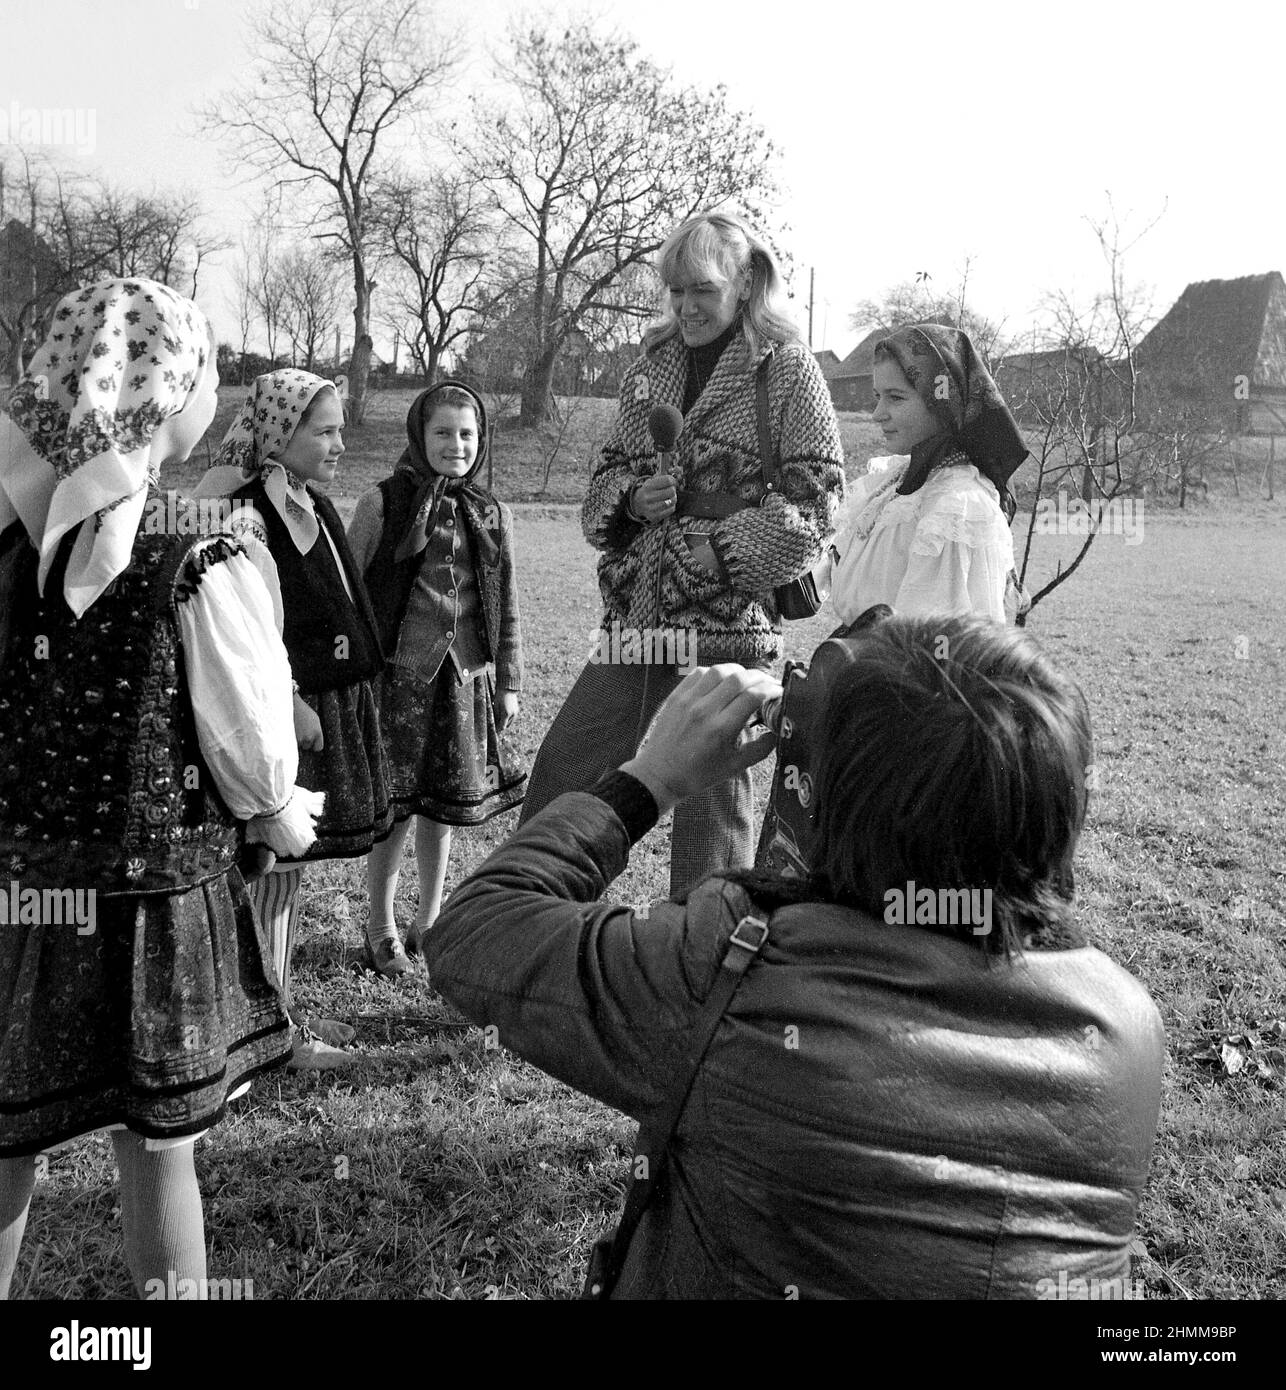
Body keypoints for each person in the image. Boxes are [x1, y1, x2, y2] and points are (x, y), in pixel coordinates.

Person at [425, 613, 1165, 1298]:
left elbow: (475, 931)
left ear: (829, 804)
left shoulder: (733, 970)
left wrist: (647, 781)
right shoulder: (1126, 1027)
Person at [0, 278, 321, 1299]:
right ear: (164, 383)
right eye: (208, 372)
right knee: (159, 1140)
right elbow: (250, 746)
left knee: (10, 1130)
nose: (214, 392)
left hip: (19, 900)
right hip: (152, 909)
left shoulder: (11, 547)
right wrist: (283, 812)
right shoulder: (199, 556)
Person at [520, 211, 845, 897]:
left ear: (747, 282)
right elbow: (603, 482)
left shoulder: (788, 372)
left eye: (703, 289)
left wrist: (721, 550)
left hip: (729, 628)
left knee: (712, 811)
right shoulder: (651, 369)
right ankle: (532, 920)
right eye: (675, 291)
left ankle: (703, 968)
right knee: (564, 768)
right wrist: (635, 500)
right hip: (637, 619)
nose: (687, 307)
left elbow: (817, 504)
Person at [194, 370, 391, 1063]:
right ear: (280, 431)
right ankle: (269, 1033)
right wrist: (292, 700)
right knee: (270, 858)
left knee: (291, 861)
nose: (340, 442)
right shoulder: (245, 512)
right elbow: (242, 632)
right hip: (284, 713)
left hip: (330, 705)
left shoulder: (315, 503)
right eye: (325, 429)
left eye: (340, 427)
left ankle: (277, 1009)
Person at [347, 381, 524, 969]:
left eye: (467, 433)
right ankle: (381, 926)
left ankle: (429, 922)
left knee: (442, 807)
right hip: (400, 680)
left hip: (465, 680)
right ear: (420, 437)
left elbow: (506, 603)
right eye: (443, 432)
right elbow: (349, 591)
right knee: (396, 808)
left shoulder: (492, 512)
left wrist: (510, 682)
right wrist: (351, 672)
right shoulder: (383, 502)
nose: (456, 444)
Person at [826, 323, 1028, 625]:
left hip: (897, 669)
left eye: (895, 397)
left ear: (941, 401)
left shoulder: (955, 507)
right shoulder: (895, 482)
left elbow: (941, 650)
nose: (877, 413)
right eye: (877, 396)